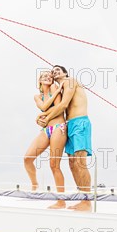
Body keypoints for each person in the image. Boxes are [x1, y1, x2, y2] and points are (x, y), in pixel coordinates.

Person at [37, 65, 92, 211]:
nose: (55, 72)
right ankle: (82, 199)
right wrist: (40, 118)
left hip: (80, 123)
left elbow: (63, 105)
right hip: (70, 125)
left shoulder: (70, 81)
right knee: (72, 164)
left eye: (58, 70)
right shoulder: (60, 89)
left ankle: (87, 201)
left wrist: (46, 117)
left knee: (80, 163)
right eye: (53, 71)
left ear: (65, 73)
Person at [24, 71, 67, 193]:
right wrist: (42, 112)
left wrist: (41, 115)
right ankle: (34, 184)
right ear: (40, 81)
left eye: (49, 76)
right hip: (46, 129)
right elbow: (43, 106)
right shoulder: (37, 96)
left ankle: (61, 197)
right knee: (27, 158)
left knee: (54, 165)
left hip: (59, 127)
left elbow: (58, 108)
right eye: (44, 76)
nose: (47, 77)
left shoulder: (54, 87)